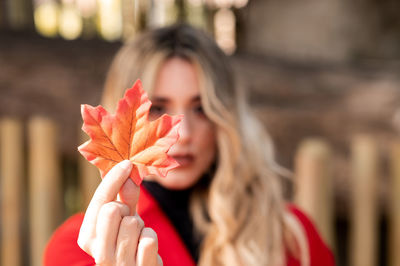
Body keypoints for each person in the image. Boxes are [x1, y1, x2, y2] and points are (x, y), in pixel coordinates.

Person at [44, 24, 335, 266]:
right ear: (122, 121)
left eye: (202, 108)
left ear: (227, 117)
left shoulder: (292, 235)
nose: (182, 134)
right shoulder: (78, 249)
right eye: (158, 108)